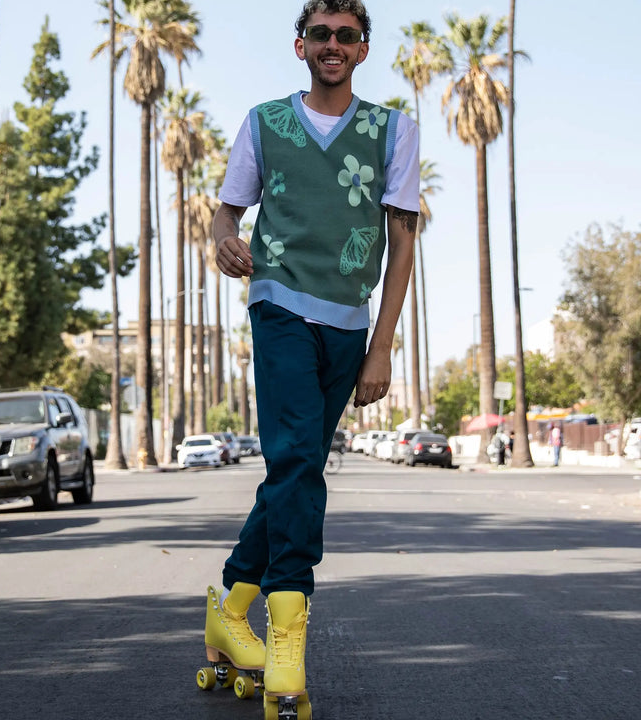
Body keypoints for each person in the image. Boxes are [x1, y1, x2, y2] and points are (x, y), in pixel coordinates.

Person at [200, 0, 419, 713]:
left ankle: (230, 607)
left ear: (362, 49)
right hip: (279, 303)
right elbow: (226, 211)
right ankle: (287, 623)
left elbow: (404, 241)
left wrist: (382, 344)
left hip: (350, 322)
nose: (332, 45)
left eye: (346, 36)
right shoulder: (265, 122)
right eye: (320, 34)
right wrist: (222, 238)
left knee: (299, 467)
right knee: (294, 461)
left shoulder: (393, 132)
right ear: (301, 47)